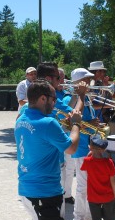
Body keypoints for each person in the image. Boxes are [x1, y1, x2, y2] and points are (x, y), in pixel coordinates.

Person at [15, 80, 82, 220]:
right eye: (53, 99)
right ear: (43, 99)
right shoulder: (47, 124)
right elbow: (71, 147)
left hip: (27, 187)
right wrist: (76, 125)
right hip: (45, 191)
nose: (55, 103)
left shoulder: (22, 117)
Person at [36, 62, 87, 208]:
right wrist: (81, 95)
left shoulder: (29, 107)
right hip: (50, 172)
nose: (61, 81)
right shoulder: (51, 101)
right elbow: (74, 113)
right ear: (48, 78)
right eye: (58, 77)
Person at [68, 67, 97, 220]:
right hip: (80, 147)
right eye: (86, 79)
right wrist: (91, 123)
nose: (89, 82)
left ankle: (87, 217)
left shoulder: (86, 98)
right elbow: (72, 121)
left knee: (88, 184)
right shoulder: (73, 98)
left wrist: (94, 124)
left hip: (89, 145)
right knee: (82, 186)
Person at [81, 136, 115, 220]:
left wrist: (90, 153)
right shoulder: (109, 162)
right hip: (108, 196)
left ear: (91, 147)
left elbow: (86, 164)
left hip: (93, 197)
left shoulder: (87, 161)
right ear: (103, 150)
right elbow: (113, 181)